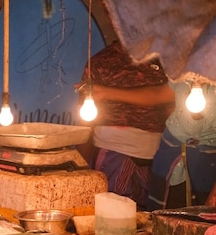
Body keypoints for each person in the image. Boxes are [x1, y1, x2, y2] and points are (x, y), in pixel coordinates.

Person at [76, 40, 175, 210]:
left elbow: (163, 96)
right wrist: (80, 166)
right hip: (113, 154)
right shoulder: (101, 62)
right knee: (112, 216)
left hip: (159, 158)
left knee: (150, 220)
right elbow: (84, 121)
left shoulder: (167, 61)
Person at [147, 81, 216, 210]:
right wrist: (105, 93)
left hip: (207, 165)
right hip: (170, 156)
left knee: (201, 220)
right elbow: (157, 94)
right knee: (163, 215)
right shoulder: (183, 72)